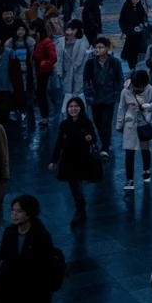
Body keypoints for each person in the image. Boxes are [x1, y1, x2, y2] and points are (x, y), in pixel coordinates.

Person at [0, 195, 60, 303]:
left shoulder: (40, 235)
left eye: (19, 211)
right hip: (14, 283)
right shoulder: (10, 232)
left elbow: (46, 265)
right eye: (13, 211)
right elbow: (3, 258)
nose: (14, 214)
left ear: (29, 214)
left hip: (33, 285)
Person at [48, 96, 97, 225]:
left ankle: (80, 210)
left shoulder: (86, 122)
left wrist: (89, 137)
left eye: (76, 106)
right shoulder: (64, 125)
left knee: (77, 186)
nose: (73, 109)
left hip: (82, 159)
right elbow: (59, 143)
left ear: (81, 108)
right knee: (74, 186)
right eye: (71, 106)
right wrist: (54, 160)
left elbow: (94, 138)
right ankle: (81, 209)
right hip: (68, 160)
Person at [117, 70, 152, 191]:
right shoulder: (125, 91)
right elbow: (122, 108)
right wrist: (119, 125)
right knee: (129, 153)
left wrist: (146, 106)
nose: (139, 88)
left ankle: (146, 169)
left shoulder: (150, 89)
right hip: (130, 124)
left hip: (144, 123)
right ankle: (130, 179)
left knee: (145, 150)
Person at [82, 36, 124, 160]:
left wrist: (116, 93)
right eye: (96, 47)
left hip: (109, 97)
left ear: (107, 48)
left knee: (106, 122)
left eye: (101, 47)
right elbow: (86, 79)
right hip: (95, 98)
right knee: (98, 122)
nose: (98, 50)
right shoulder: (90, 63)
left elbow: (119, 79)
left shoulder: (114, 62)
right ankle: (104, 140)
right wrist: (89, 94)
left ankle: (105, 147)